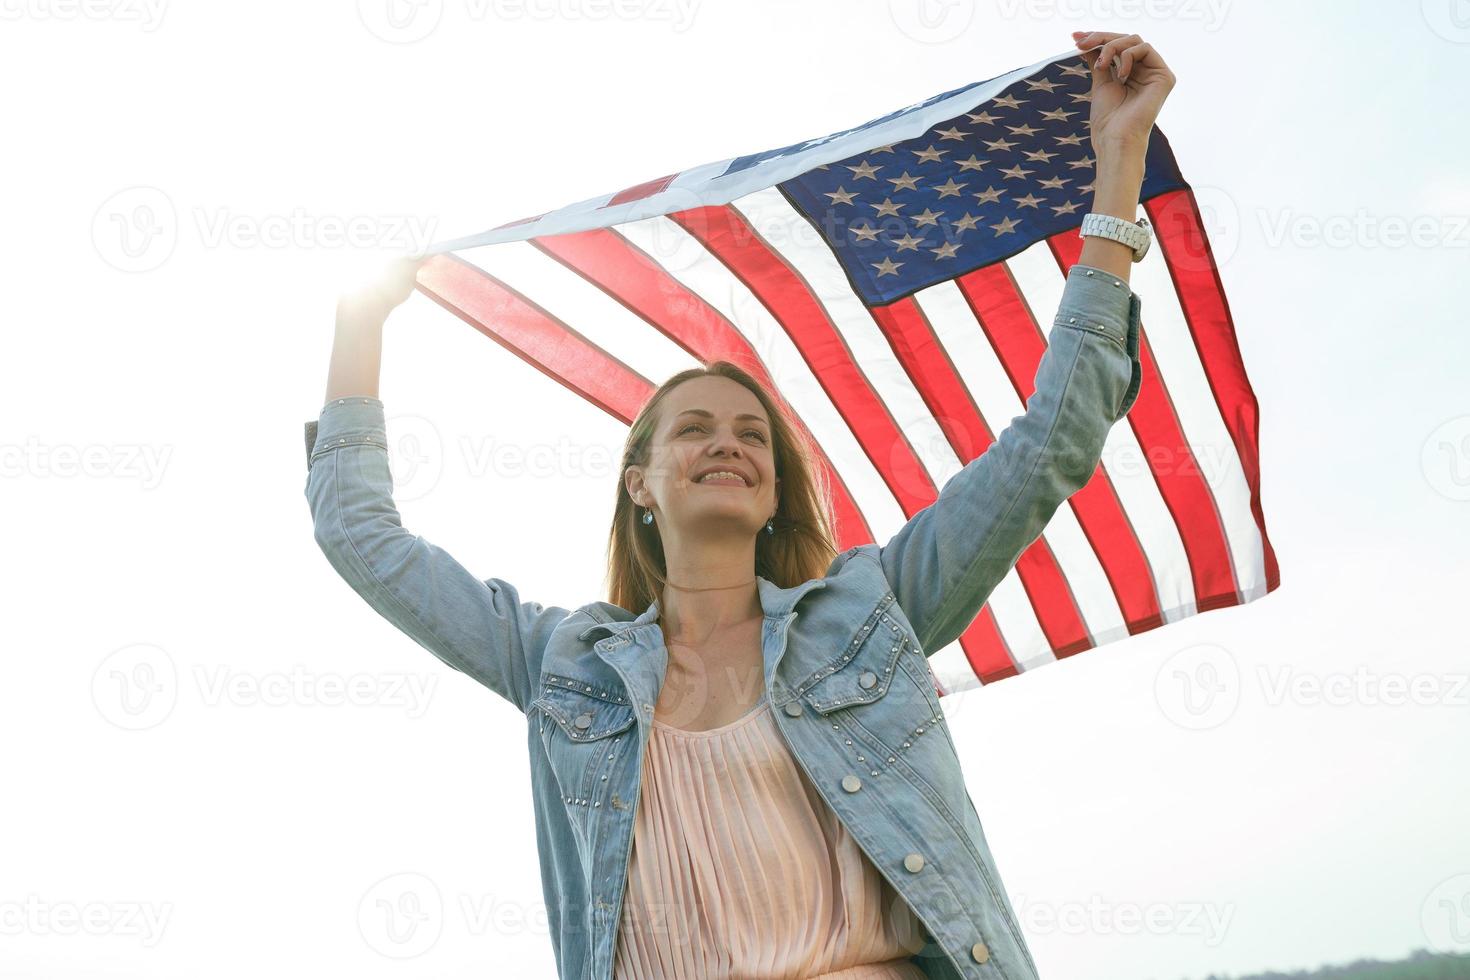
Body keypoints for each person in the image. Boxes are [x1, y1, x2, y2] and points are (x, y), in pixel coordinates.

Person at [303, 30, 1174, 980]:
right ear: (640, 485)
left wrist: (1116, 165)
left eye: (753, 435)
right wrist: (359, 322)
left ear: (772, 492)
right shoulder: (562, 665)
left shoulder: (870, 612)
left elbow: (1049, 446)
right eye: (694, 430)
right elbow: (363, 539)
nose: (728, 443)